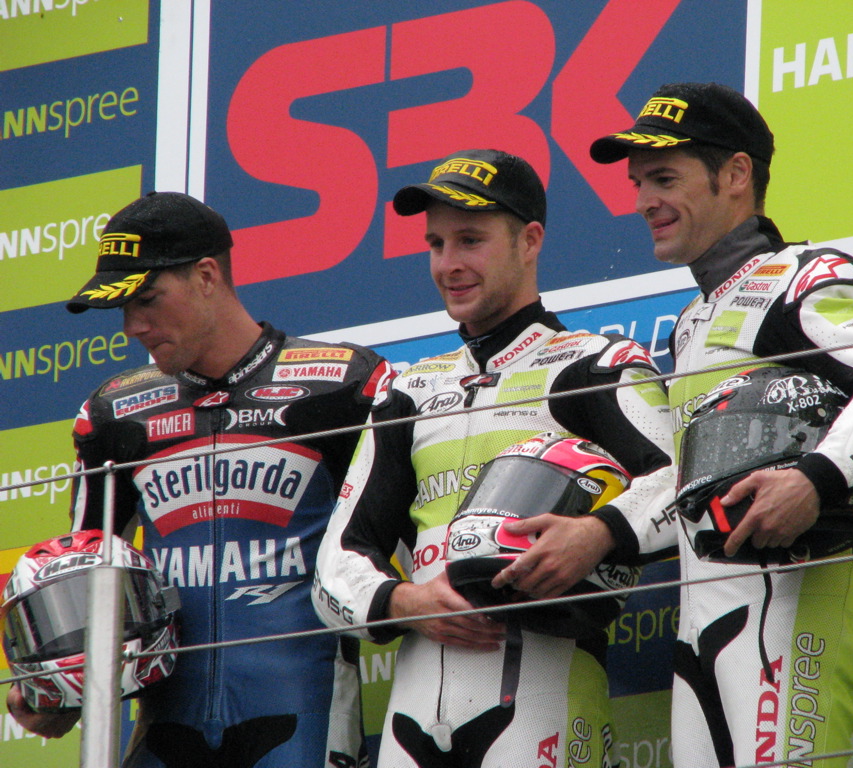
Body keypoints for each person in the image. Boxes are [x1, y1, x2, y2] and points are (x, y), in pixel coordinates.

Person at [589, 82, 853, 767]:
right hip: (704, 624)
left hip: (800, 602)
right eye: (638, 184)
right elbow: (688, 487)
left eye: (664, 178)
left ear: (735, 175)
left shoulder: (803, 277)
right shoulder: (692, 321)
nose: (643, 202)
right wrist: (600, 533)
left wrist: (813, 481)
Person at [312, 149, 676, 767]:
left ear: (529, 240)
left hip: (547, 692)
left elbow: (677, 482)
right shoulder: (409, 391)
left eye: (470, 240)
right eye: (436, 244)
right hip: (411, 710)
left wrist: (595, 534)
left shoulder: (594, 364)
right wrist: (405, 603)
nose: (448, 264)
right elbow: (334, 567)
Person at [6, 191, 394, 768]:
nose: (133, 326)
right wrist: (56, 693)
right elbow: (84, 573)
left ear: (207, 275)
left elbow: (407, 549)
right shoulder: (115, 416)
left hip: (304, 719)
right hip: (165, 730)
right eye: (123, 308)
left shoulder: (343, 386)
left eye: (147, 299)